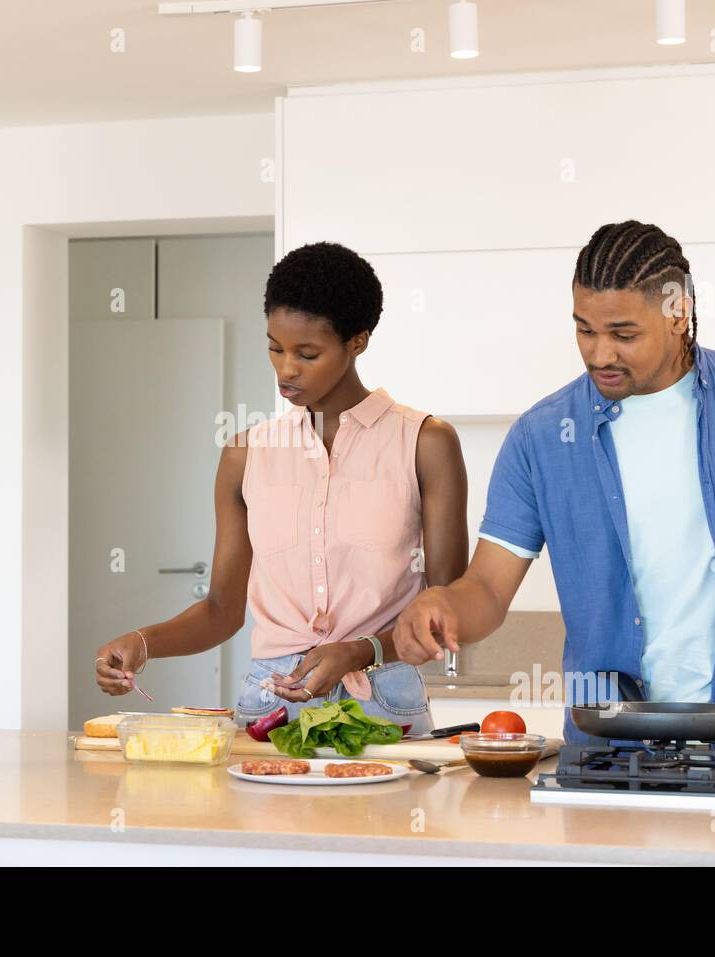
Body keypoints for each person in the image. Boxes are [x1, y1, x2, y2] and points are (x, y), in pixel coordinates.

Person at [393, 220, 715, 751]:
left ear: (678, 314)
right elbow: (487, 587)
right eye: (584, 330)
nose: (600, 355)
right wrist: (442, 606)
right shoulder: (542, 437)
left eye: (623, 335)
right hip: (615, 753)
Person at [94, 241, 468, 733]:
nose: (286, 368)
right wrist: (142, 643)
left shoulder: (425, 442)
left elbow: (449, 608)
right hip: (271, 704)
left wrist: (362, 650)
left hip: (383, 700)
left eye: (307, 354)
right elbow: (221, 611)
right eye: (275, 347)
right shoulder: (245, 453)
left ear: (357, 342)